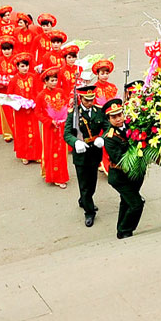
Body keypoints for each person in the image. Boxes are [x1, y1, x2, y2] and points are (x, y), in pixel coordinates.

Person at [102, 98, 146, 239]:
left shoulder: (132, 126)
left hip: (135, 175)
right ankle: (125, 230)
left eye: (120, 115)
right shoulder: (109, 138)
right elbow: (119, 158)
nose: (118, 119)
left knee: (126, 202)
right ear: (108, 119)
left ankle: (121, 229)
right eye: (114, 117)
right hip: (120, 176)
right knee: (136, 204)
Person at [64, 85, 107, 227]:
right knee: (84, 184)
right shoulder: (74, 113)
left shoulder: (98, 111)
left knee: (92, 182)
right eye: (87, 100)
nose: (90, 102)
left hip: (94, 150)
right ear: (81, 98)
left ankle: (84, 199)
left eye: (92, 99)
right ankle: (89, 212)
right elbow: (67, 134)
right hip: (81, 152)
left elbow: (107, 127)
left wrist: (103, 138)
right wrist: (75, 142)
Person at [35, 67, 70, 188]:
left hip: (62, 126)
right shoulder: (41, 96)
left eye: (55, 80)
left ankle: (61, 176)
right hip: (49, 128)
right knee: (51, 150)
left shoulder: (60, 92)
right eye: (51, 80)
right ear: (45, 82)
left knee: (61, 150)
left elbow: (66, 104)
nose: (54, 82)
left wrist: (69, 108)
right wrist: (49, 121)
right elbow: (38, 113)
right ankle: (53, 175)